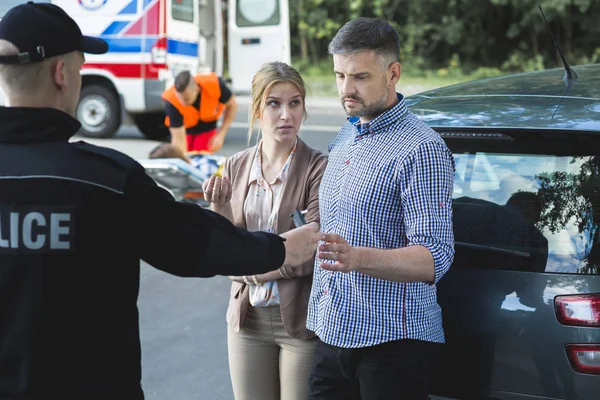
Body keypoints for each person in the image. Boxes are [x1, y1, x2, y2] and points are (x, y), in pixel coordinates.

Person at [0, 3, 320, 399]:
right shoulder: (106, 181)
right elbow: (195, 245)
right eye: (81, 69)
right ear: (61, 74)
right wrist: (280, 249)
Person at [306, 17, 455, 399]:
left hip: (392, 347)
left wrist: (357, 257)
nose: (346, 90)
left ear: (393, 73)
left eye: (359, 77)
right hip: (332, 335)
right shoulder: (347, 131)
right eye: (339, 76)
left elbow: (434, 258)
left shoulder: (422, 148)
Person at [202, 61, 327, 400]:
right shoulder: (234, 165)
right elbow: (224, 247)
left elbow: (307, 253)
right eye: (274, 103)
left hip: (300, 322)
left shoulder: (319, 167)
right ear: (257, 109)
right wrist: (220, 204)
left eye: (295, 102)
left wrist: (246, 269)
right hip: (247, 319)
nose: (286, 113)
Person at [162, 69, 238, 154]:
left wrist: (221, 134)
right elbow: (178, 138)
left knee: (202, 156)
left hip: (207, 127)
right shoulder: (171, 101)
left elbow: (232, 105)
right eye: (180, 99)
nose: (183, 103)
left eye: (187, 99)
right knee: (182, 154)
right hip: (185, 131)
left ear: (197, 89)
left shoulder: (214, 84)